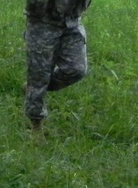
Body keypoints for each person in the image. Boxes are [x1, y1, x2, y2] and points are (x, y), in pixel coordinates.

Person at [24, 0, 92, 129]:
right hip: (42, 23)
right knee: (39, 76)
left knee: (77, 69)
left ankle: (32, 89)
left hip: (72, 23)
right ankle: (36, 126)